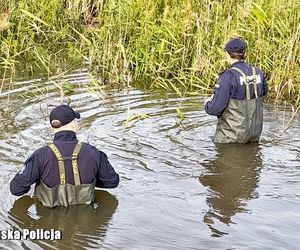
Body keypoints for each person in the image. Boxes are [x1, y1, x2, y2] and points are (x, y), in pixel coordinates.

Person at [10, 104, 119, 208]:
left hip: (49, 222)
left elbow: (16, 189)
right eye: (76, 121)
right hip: (84, 221)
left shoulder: (40, 155)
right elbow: (112, 182)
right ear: (73, 125)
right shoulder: (93, 152)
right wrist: (91, 178)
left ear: (51, 127)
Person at [205, 37, 268, 143]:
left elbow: (215, 109)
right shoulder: (258, 72)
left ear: (227, 54)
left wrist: (207, 104)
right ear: (245, 53)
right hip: (254, 134)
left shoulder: (229, 75)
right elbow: (264, 92)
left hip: (231, 137)